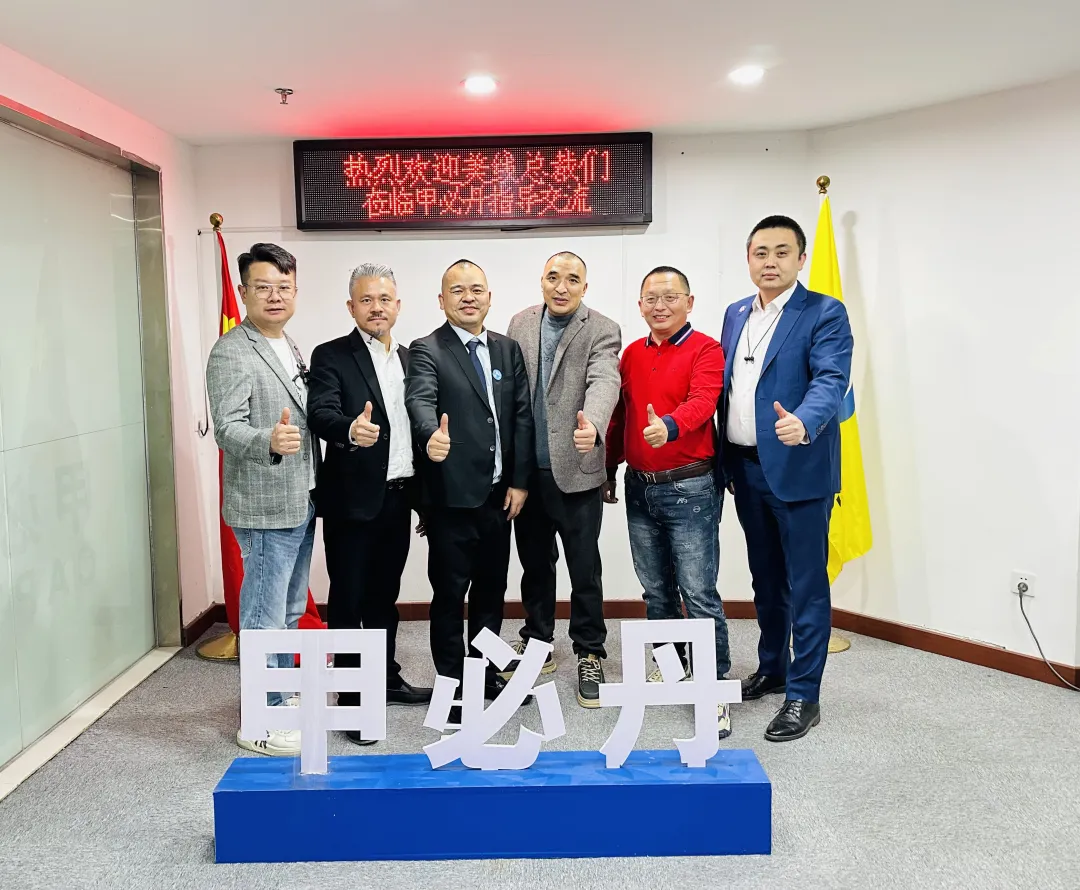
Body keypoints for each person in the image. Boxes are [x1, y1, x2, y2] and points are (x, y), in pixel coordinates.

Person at [718, 215, 853, 742]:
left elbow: (831, 379)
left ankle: (804, 695)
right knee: (766, 579)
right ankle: (773, 667)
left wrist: (805, 420)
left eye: (781, 252)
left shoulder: (824, 311)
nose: (769, 262)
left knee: (807, 585)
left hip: (799, 469)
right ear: (748, 259)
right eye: (760, 252)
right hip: (746, 469)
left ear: (801, 258)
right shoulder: (735, 313)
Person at [307, 263, 433, 748]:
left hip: (398, 497)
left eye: (384, 299)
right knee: (349, 600)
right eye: (366, 300)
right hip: (352, 501)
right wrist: (349, 430)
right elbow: (321, 412)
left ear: (397, 305)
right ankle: (351, 697)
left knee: (384, 597)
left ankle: (385, 678)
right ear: (351, 307)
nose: (376, 308)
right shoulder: (331, 355)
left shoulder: (411, 358)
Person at [604, 265, 733, 739]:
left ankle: (714, 688)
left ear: (689, 302)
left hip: (690, 488)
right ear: (640, 306)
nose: (660, 306)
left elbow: (704, 401)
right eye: (651, 299)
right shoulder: (632, 354)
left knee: (698, 593)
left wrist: (670, 426)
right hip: (639, 488)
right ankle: (671, 666)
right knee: (656, 591)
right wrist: (608, 467)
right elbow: (621, 418)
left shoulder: (707, 349)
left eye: (670, 297)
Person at [404, 259, 535, 712]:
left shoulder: (506, 349)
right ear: (442, 300)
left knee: (491, 592)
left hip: (499, 496)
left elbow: (521, 416)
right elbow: (419, 399)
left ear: (489, 297)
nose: (468, 297)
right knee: (449, 594)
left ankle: (483, 674)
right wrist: (429, 435)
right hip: (451, 497)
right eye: (457, 290)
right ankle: (452, 682)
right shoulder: (427, 349)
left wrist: (520, 481)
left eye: (476, 289)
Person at [206, 242, 317, 756]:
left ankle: (280, 694)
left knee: (289, 610)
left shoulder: (289, 344)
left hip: (301, 498)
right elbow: (226, 428)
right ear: (244, 291)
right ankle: (259, 720)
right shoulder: (232, 350)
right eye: (263, 287)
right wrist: (267, 441)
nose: (275, 296)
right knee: (261, 615)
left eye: (283, 287)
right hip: (264, 503)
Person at [501, 251, 621, 708]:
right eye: (554, 277)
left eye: (572, 279)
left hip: (577, 470)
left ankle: (590, 651)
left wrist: (593, 423)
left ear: (584, 287)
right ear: (542, 281)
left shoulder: (602, 328)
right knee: (535, 565)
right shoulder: (520, 323)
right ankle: (538, 642)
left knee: (584, 569)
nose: (562, 286)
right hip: (527, 475)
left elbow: (604, 381)